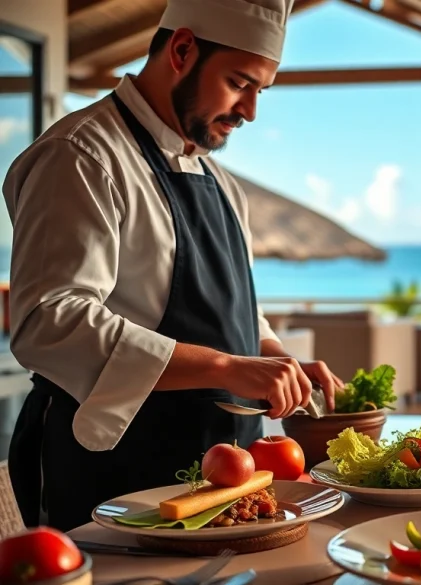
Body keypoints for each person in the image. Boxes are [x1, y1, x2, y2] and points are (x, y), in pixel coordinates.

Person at [2, 0, 342, 531]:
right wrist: (229, 368)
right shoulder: (81, 155)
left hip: (230, 475)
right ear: (182, 50)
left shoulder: (226, 186)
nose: (250, 110)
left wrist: (277, 360)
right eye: (239, 83)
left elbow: (233, 313)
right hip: (115, 473)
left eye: (260, 91)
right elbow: (50, 320)